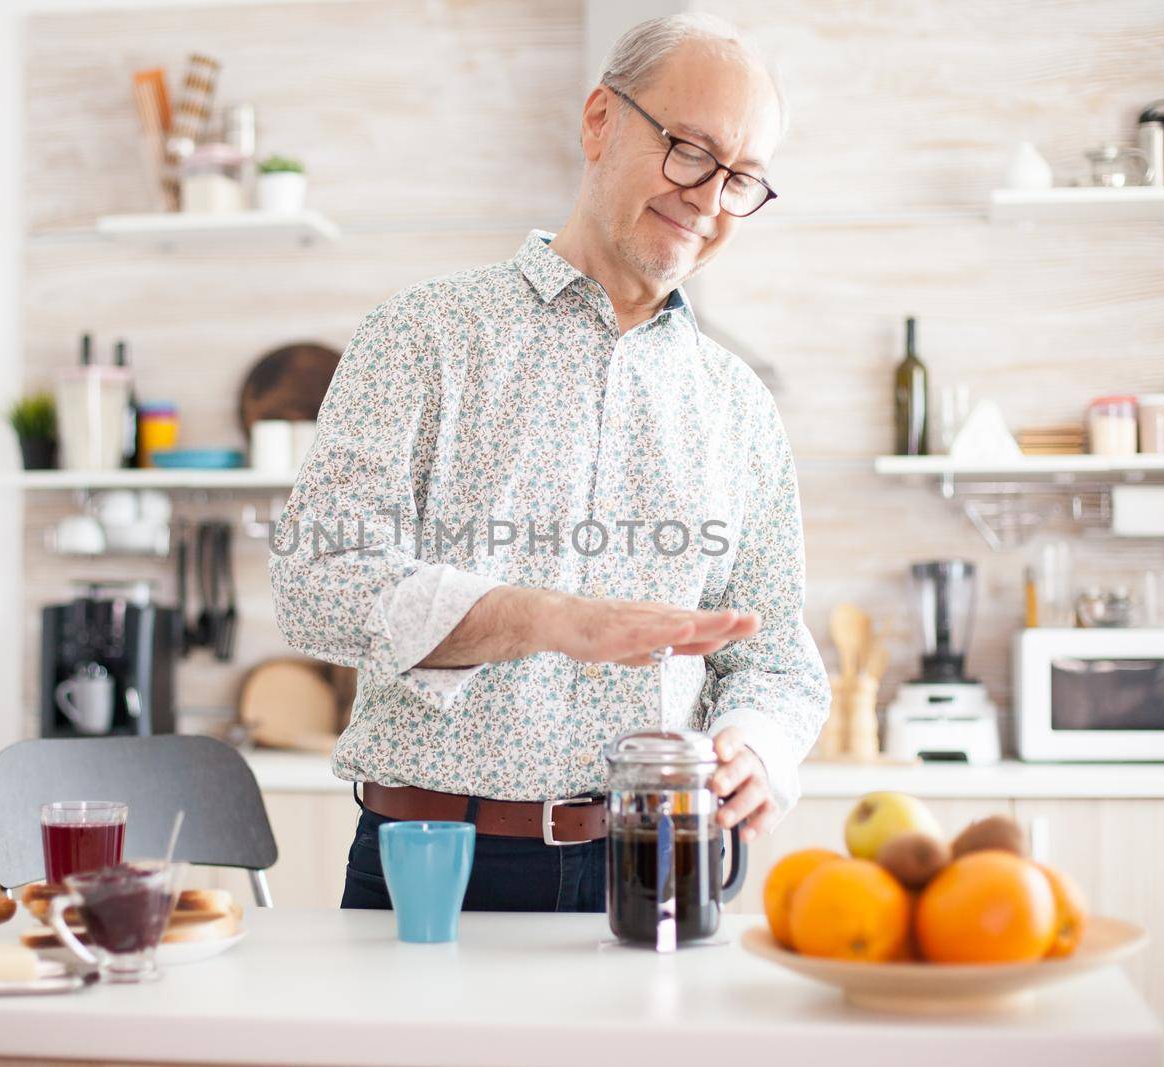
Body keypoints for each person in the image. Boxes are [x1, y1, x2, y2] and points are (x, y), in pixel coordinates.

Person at [269, 12, 829, 912]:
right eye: (688, 149)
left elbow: (778, 662)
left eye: (742, 179)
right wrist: (544, 619)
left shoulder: (740, 405)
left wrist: (755, 745)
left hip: (660, 862)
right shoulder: (421, 335)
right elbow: (318, 581)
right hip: (438, 864)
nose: (707, 197)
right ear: (600, 120)